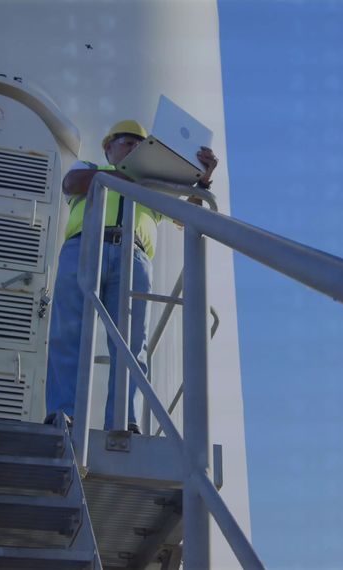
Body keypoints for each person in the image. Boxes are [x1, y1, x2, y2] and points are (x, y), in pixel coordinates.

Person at [46, 119, 217, 433]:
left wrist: (202, 181)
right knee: (68, 333)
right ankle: (63, 414)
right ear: (109, 148)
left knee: (131, 344)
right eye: (127, 142)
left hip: (135, 257)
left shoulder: (154, 187)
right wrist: (130, 177)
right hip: (84, 247)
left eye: (140, 145)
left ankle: (123, 421)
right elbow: (72, 183)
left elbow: (190, 215)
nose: (134, 148)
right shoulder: (91, 167)